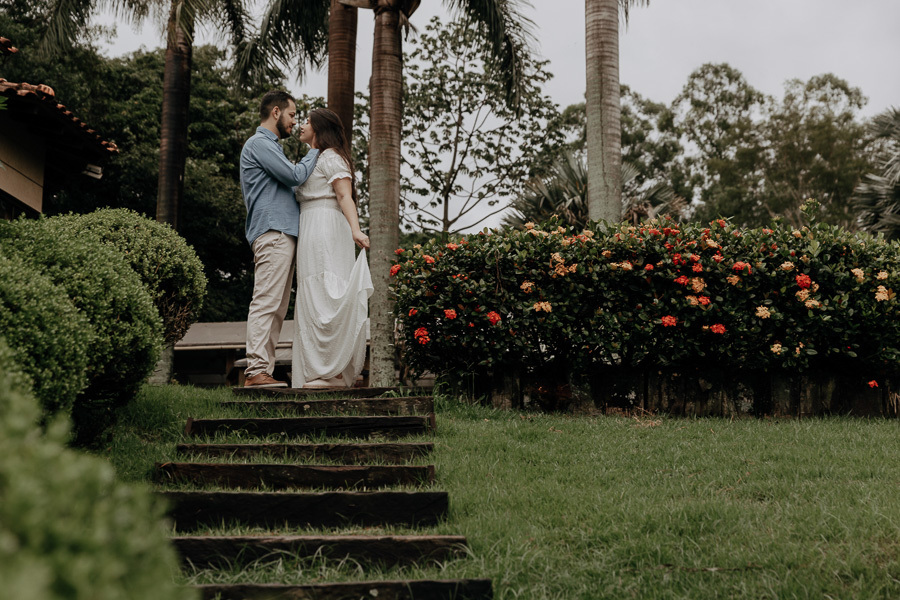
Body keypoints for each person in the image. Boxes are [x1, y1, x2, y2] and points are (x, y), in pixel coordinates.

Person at [240, 91, 320, 388]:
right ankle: (255, 371)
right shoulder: (260, 144)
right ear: (276, 112)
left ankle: (262, 370)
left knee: (276, 306)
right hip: (273, 232)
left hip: (281, 232)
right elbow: (294, 175)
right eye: (292, 115)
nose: (294, 121)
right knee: (266, 303)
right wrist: (316, 148)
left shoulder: (268, 146)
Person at [292, 108, 373, 388]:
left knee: (327, 292)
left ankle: (332, 371)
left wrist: (355, 230)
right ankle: (323, 368)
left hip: (326, 226)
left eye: (305, 121)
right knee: (314, 291)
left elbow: (343, 195)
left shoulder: (330, 157)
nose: (300, 125)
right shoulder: (310, 159)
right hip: (310, 226)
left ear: (319, 128)